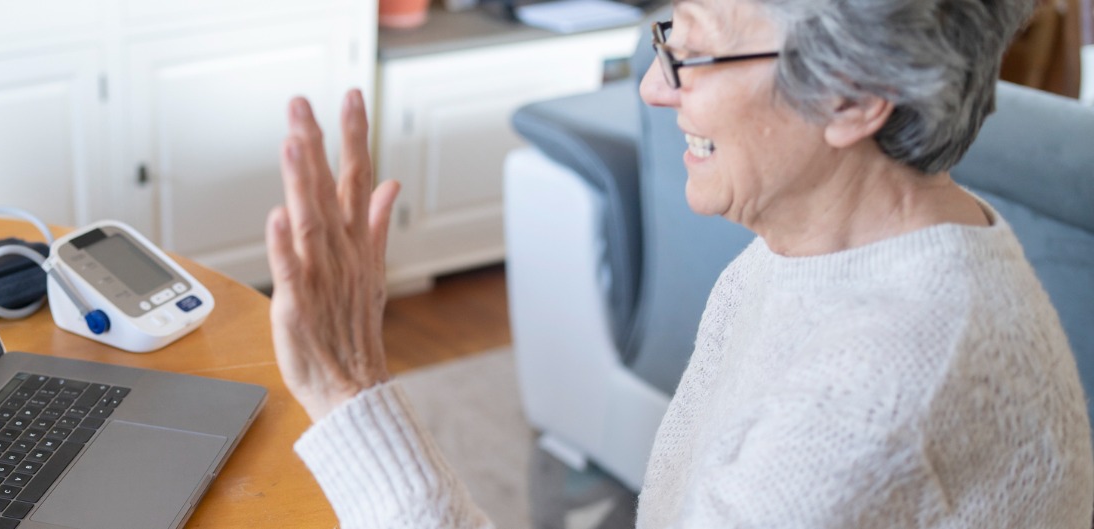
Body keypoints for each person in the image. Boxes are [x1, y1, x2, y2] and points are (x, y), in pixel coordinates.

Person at [265, 0, 1094, 526]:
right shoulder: (824, 246)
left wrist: (351, 391)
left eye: (691, 50)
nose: (655, 88)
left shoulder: (875, 403)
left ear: (851, 95)